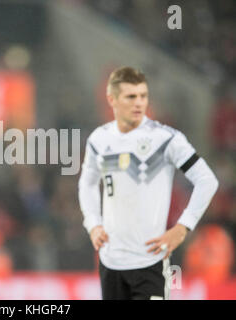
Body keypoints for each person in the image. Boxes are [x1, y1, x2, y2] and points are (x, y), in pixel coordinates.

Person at [78, 67, 219, 300]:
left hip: (149, 263)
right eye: (131, 97)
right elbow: (88, 184)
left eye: (143, 96)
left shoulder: (165, 139)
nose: (139, 103)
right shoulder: (98, 140)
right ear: (112, 99)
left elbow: (207, 180)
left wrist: (182, 228)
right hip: (111, 263)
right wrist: (93, 223)